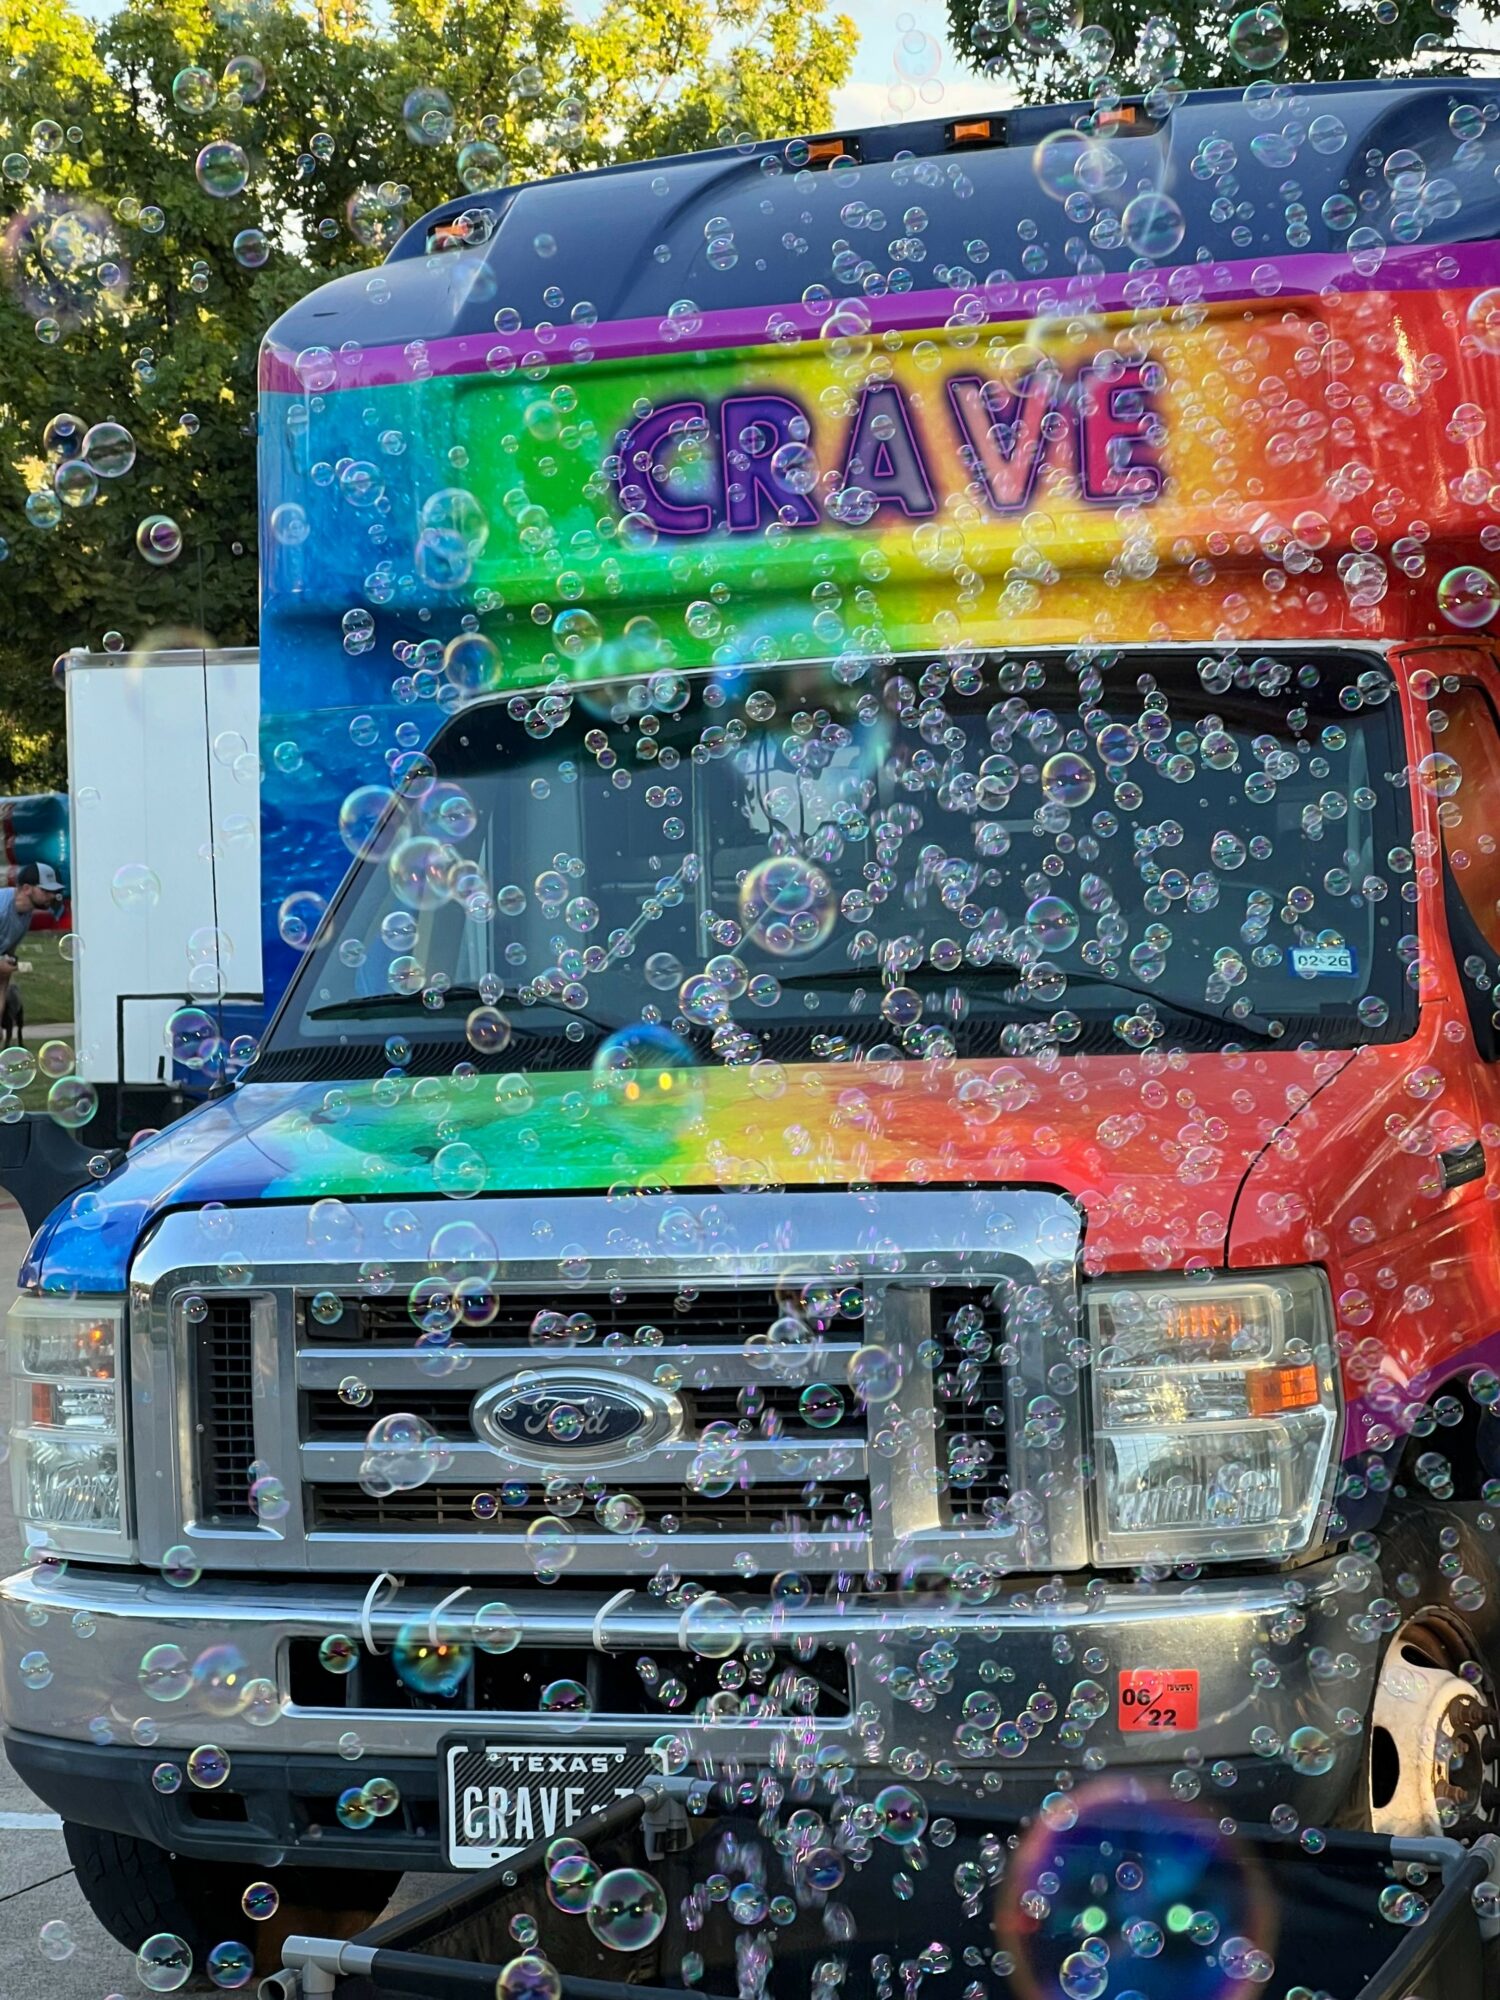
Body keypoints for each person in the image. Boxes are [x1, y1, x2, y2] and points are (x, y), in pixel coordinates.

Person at [0, 862, 62, 1025]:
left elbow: (4, 973)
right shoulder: (2, 908)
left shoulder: (25, 915)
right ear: (27, 888)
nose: (52, 896)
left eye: (53, 891)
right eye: (45, 891)